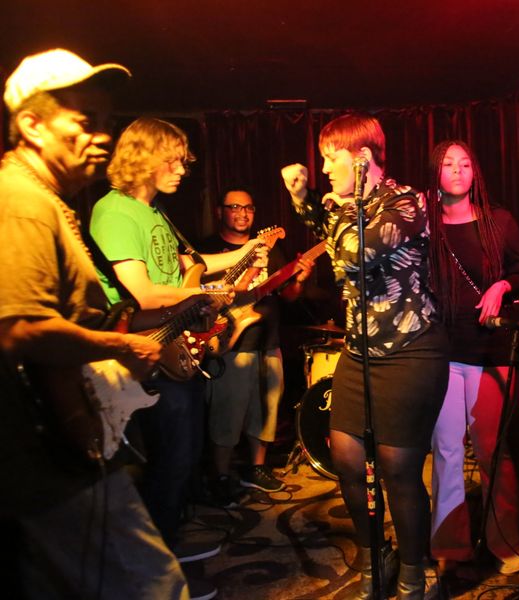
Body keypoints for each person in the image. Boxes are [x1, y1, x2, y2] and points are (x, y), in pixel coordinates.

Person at [0, 49, 188, 598]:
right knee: (153, 586)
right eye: (84, 121)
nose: (102, 136)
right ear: (32, 126)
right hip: (49, 457)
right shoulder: (22, 202)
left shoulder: (44, 200)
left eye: (105, 122)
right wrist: (122, 346)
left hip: (52, 452)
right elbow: (17, 331)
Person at [89, 117, 268, 585]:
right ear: (143, 158)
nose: (182, 169)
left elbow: (195, 266)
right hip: (145, 350)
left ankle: (164, 547)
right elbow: (145, 294)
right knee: (167, 458)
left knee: (183, 454)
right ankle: (149, 568)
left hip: (173, 348)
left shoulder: (156, 213)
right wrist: (207, 296)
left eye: (183, 161)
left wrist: (249, 252)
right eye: (173, 160)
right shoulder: (115, 212)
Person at [281, 113, 449, 600]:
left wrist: (333, 208)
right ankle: (375, 554)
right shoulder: (342, 206)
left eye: (330, 158)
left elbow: (355, 253)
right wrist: (301, 198)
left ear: (362, 158)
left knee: (398, 468)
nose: (323, 169)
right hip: (360, 352)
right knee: (347, 459)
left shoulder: (407, 202)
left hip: (410, 350)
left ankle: (414, 568)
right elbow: (324, 226)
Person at [425, 140, 519, 576]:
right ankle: (450, 544)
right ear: (435, 174)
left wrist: (501, 286)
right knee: (447, 450)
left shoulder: (498, 221)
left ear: (475, 173)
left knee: (491, 448)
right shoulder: (425, 226)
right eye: (448, 164)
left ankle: (509, 540)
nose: (457, 170)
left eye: (465, 164)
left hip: (490, 351)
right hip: (443, 352)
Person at [196, 185, 313, 501]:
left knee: (267, 410)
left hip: (268, 341)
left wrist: (299, 280)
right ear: (220, 211)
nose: (242, 213)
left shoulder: (270, 249)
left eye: (248, 208)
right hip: (230, 344)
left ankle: (256, 468)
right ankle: (221, 475)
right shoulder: (208, 251)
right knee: (227, 413)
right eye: (235, 207)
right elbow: (204, 300)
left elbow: (287, 295)